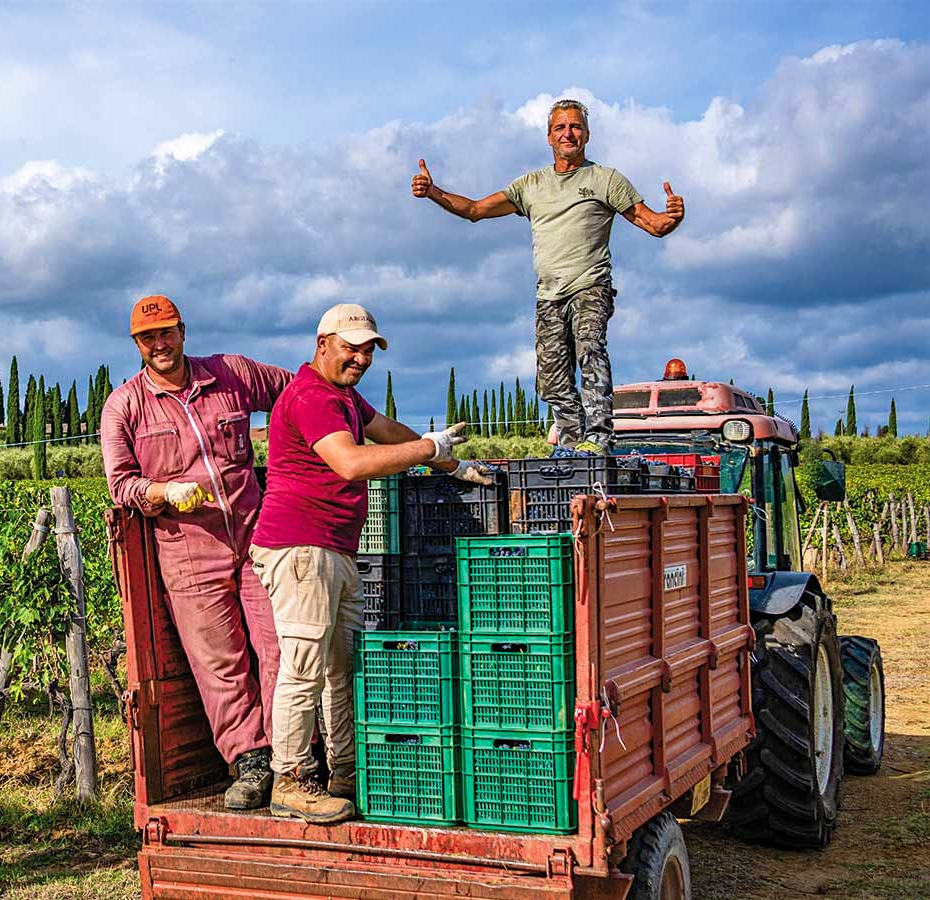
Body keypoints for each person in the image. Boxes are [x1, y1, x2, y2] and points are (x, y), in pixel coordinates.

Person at [249, 303, 491, 824]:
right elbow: (352, 462)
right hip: (299, 548)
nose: (359, 357)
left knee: (343, 667)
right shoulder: (313, 396)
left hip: (332, 547)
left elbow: (387, 431)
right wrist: (430, 445)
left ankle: (345, 772)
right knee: (305, 666)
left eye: (367, 349)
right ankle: (289, 780)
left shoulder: (345, 398)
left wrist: (451, 461)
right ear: (322, 344)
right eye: (350, 347)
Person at [100, 294, 293, 810]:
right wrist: (162, 493)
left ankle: (292, 758)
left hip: (257, 537)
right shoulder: (125, 406)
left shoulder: (230, 375)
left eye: (166, 332)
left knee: (280, 646)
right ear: (137, 345)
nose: (159, 344)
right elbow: (121, 485)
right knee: (219, 662)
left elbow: (298, 393)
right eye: (147, 338)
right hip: (187, 550)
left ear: (183, 331)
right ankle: (249, 762)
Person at [411, 98, 685, 453]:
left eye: (575, 126)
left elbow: (654, 224)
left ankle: (599, 437)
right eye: (561, 127)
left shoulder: (606, 180)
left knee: (590, 350)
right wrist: (433, 192)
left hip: (590, 287)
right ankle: (572, 445)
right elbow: (476, 210)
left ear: (586, 135)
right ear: (549, 137)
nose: (568, 133)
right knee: (552, 379)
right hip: (548, 296)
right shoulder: (531, 185)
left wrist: (673, 216)